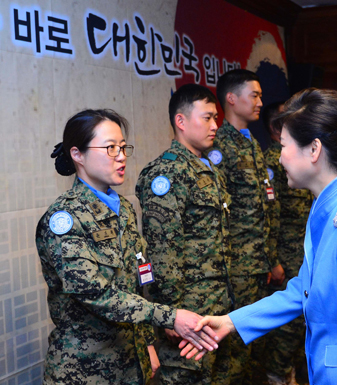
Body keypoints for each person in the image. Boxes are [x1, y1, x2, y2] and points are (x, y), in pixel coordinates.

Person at [185, 88, 337, 385]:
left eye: (284, 146)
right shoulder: (331, 206)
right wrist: (230, 321)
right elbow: (304, 289)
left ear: (314, 150)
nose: (279, 159)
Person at [35, 109, 219, 385]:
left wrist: (146, 346)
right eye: (110, 148)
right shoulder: (65, 219)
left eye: (123, 147)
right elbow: (95, 293)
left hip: (131, 365)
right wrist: (169, 317)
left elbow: (136, 284)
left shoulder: (124, 210)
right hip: (85, 372)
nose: (121, 156)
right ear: (77, 154)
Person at [136, 85, 233, 385]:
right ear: (181, 121)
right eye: (207, 118)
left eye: (216, 118)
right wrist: (170, 313)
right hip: (187, 312)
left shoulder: (206, 169)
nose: (215, 125)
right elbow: (162, 250)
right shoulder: (166, 174)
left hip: (215, 306)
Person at [205, 69, 284, 384]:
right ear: (231, 99)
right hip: (237, 268)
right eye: (255, 95)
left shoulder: (252, 144)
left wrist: (270, 257)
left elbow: (264, 208)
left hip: (259, 265)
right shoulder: (219, 148)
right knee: (235, 351)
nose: (260, 102)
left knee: (257, 347)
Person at [262, 101, 312, 385]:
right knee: (288, 323)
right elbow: (271, 214)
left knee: (303, 320)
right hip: (287, 254)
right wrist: (274, 258)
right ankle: (277, 373)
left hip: (303, 251)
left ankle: (290, 371)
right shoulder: (274, 160)